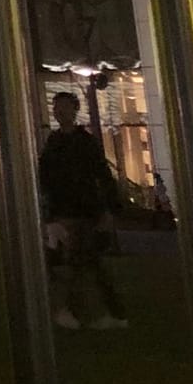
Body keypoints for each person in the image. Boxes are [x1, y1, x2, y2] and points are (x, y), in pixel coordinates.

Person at [38, 90, 126, 330]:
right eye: (56, 108)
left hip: (82, 210)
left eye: (64, 107)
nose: (59, 112)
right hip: (65, 209)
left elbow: (101, 173)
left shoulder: (83, 142)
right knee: (83, 263)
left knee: (80, 262)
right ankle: (99, 312)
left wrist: (108, 207)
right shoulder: (54, 142)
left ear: (74, 110)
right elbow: (45, 176)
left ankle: (77, 312)